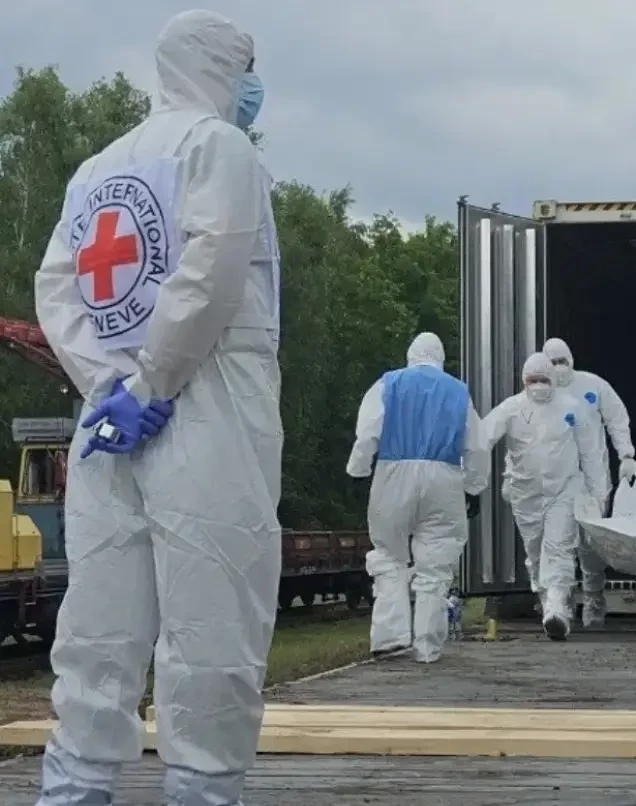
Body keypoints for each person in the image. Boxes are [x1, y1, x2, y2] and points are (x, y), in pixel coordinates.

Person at [31, 11, 281, 805]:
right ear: (220, 63)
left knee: (99, 621)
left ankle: (73, 786)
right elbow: (213, 270)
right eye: (247, 64)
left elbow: (57, 287)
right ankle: (202, 789)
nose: (253, 85)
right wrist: (152, 383)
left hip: (109, 424)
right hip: (205, 409)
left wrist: (105, 385)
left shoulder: (97, 168)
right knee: (214, 613)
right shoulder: (220, 147)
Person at [346, 332, 490, 664]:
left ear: (410, 356)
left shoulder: (387, 384)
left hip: (393, 472)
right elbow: (477, 447)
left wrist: (358, 471)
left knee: (389, 554)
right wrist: (474, 487)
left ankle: (390, 637)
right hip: (444, 477)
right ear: (441, 359)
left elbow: (367, 432)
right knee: (436, 564)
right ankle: (428, 646)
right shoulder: (458, 391)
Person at [482, 352, 607, 640]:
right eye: (533, 380)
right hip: (525, 494)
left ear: (553, 380)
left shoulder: (572, 407)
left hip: (563, 489)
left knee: (559, 546)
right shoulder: (511, 409)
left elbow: (591, 453)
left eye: (544, 380)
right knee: (536, 552)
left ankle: (557, 607)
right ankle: (548, 602)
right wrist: (473, 476)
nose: (538, 386)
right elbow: (482, 439)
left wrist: (597, 493)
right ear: (524, 381)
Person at [542, 337, 636, 628]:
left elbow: (617, 418)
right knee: (558, 542)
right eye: (553, 362)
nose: (559, 367)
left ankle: (594, 596)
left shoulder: (593, 386)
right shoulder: (541, 392)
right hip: (557, 481)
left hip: (593, 480)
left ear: (572, 360)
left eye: (563, 361)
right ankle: (560, 601)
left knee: (590, 544)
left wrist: (626, 454)